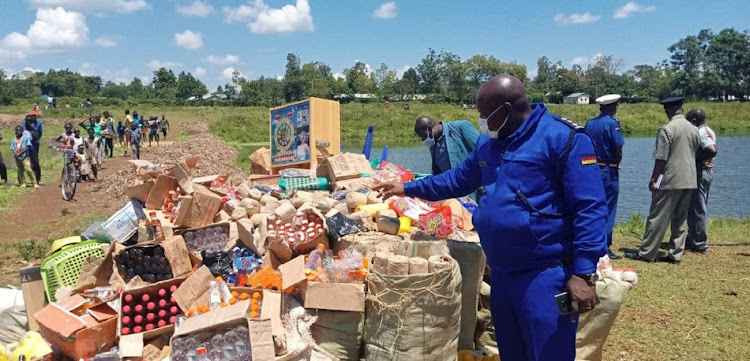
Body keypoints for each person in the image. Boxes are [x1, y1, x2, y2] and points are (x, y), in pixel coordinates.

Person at [375, 75, 607, 361]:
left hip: (545, 275)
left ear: (507, 110)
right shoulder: (489, 144)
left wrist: (584, 272)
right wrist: (408, 187)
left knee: (548, 354)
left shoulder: (563, 138)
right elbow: (457, 180)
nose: (482, 121)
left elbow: (591, 207)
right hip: (503, 273)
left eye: (485, 115)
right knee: (513, 352)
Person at [627, 97, 700, 264]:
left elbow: (661, 159)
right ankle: (676, 254)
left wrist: (654, 179)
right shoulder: (693, 128)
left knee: (658, 217)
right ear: (682, 108)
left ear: (667, 110)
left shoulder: (667, 129)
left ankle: (646, 253)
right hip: (689, 177)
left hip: (670, 178)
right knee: (680, 219)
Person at [584, 94, 625, 260]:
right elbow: (618, 147)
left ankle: (591, 242)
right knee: (609, 207)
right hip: (608, 169)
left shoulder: (590, 124)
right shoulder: (612, 124)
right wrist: (618, 162)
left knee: (593, 207)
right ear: (612, 107)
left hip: (591, 168)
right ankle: (604, 247)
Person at [686, 108, 717, 253]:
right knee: (695, 205)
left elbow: (712, 150)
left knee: (698, 207)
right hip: (705, 170)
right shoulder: (708, 130)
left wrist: (696, 160)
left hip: (701, 171)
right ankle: (692, 238)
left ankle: (699, 243)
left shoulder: (701, 132)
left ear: (693, 121)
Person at [414, 116, 480, 176]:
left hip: (473, 182)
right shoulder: (433, 143)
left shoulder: (460, 127)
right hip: (453, 186)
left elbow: (483, 152)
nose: (423, 139)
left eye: (422, 135)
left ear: (429, 129)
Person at [23, 114, 43, 186]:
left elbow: (39, 134)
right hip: (25, 146)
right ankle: (22, 181)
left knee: (35, 161)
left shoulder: (35, 125)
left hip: (34, 145)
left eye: (30, 121)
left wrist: (34, 129)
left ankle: (38, 179)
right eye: (27, 121)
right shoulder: (23, 126)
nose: (29, 122)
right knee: (23, 162)